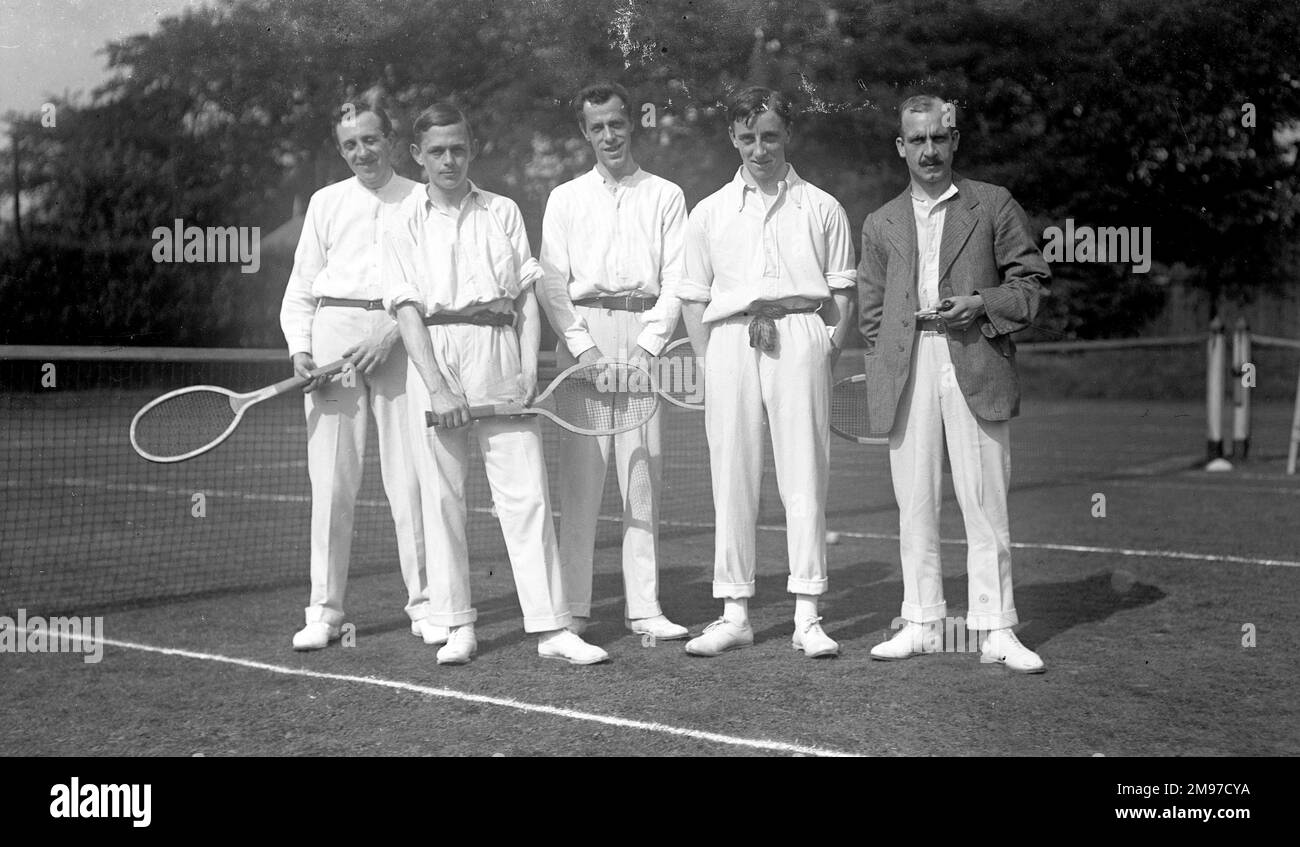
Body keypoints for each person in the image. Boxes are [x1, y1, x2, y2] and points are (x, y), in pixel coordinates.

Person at [383, 102, 609, 666]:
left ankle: (553, 630)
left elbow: (527, 294)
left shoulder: (503, 210)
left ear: (472, 148)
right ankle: (456, 622)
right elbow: (406, 310)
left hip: (500, 351)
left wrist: (529, 369)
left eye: (458, 148)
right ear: (417, 156)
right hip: (435, 355)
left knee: (526, 494)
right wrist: (436, 386)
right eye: (436, 151)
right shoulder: (401, 221)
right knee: (442, 498)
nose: (449, 160)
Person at [857, 94, 1049, 673]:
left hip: (975, 357)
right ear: (901, 147)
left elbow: (1032, 282)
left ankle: (995, 629)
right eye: (917, 140)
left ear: (955, 140)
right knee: (913, 502)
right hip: (907, 367)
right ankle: (921, 621)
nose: (929, 150)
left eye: (939, 138)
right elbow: (870, 312)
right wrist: (892, 353)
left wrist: (980, 305)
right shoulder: (880, 221)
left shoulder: (993, 204)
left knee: (984, 501)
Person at [678, 86, 856, 658]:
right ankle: (735, 613)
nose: (760, 148)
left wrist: (827, 345)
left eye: (771, 135)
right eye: (748, 136)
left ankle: (807, 615)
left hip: (800, 335)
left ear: (789, 136)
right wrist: (708, 361)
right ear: (733, 137)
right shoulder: (707, 212)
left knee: (805, 474)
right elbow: (691, 294)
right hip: (730, 340)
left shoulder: (823, 206)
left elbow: (843, 291)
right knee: (732, 474)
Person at [280, 104, 439, 651]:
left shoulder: (422, 197)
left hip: (402, 335)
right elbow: (301, 287)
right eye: (351, 145)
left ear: (391, 142)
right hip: (333, 334)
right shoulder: (325, 202)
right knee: (332, 483)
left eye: (372, 140)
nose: (363, 153)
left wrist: (393, 330)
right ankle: (324, 613)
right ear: (341, 149)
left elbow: (435, 282)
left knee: (411, 478)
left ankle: (426, 605)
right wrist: (302, 350)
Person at [537, 82, 689, 642]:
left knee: (641, 476)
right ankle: (574, 609)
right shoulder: (564, 198)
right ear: (584, 132)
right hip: (585, 336)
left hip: (644, 332)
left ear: (633, 124)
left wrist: (648, 348)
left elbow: (677, 278)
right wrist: (588, 351)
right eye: (596, 127)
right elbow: (552, 285)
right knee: (582, 482)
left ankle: (644, 610)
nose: (608, 135)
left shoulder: (667, 195)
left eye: (616, 124)